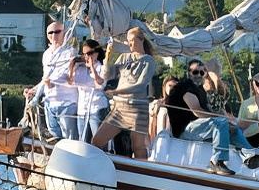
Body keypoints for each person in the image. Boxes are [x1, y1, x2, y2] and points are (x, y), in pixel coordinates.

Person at [166, 59, 259, 176]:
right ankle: (217, 162)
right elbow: (197, 111)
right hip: (184, 130)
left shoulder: (200, 90)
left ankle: (250, 156)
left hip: (200, 129)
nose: (199, 75)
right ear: (189, 73)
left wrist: (228, 122)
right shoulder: (185, 87)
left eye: (202, 72)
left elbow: (213, 105)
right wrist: (220, 117)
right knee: (221, 122)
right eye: (195, 72)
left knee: (233, 129)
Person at [91, 26, 157, 159]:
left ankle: (142, 174)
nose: (130, 44)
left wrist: (117, 91)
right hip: (120, 108)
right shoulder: (124, 57)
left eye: (132, 40)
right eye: (128, 41)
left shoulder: (148, 60)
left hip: (138, 108)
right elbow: (108, 75)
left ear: (141, 39)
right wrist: (108, 58)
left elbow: (140, 85)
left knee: (138, 147)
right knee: (97, 141)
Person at [24, 19, 78, 140]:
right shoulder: (47, 54)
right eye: (51, 33)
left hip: (67, 103)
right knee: (54, 138)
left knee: (69, 139)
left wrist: (52, 82)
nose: (54, 35)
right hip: (49, 103)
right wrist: (33, 90)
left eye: (57, 32)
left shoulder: (70, 52)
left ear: (64, 33)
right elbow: (45, 78)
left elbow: (69, 76)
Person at [68, 38, 108, 143]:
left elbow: (100, 82)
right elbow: (70, 81)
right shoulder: (80, 68)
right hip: (82, 109)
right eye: (84, 54)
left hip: (96, 107)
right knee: (83, 141)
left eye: (89, 53)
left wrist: (92, 68)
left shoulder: (102, 68)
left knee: (98, 141)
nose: (87, 56)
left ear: (97, 53)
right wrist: (73, 65)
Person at [149, 76, 181, 140]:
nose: (172, 88)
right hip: (159, 137)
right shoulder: (157, 103)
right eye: (170, 86)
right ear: (165, 87)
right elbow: (152, 121)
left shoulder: (182, 105)